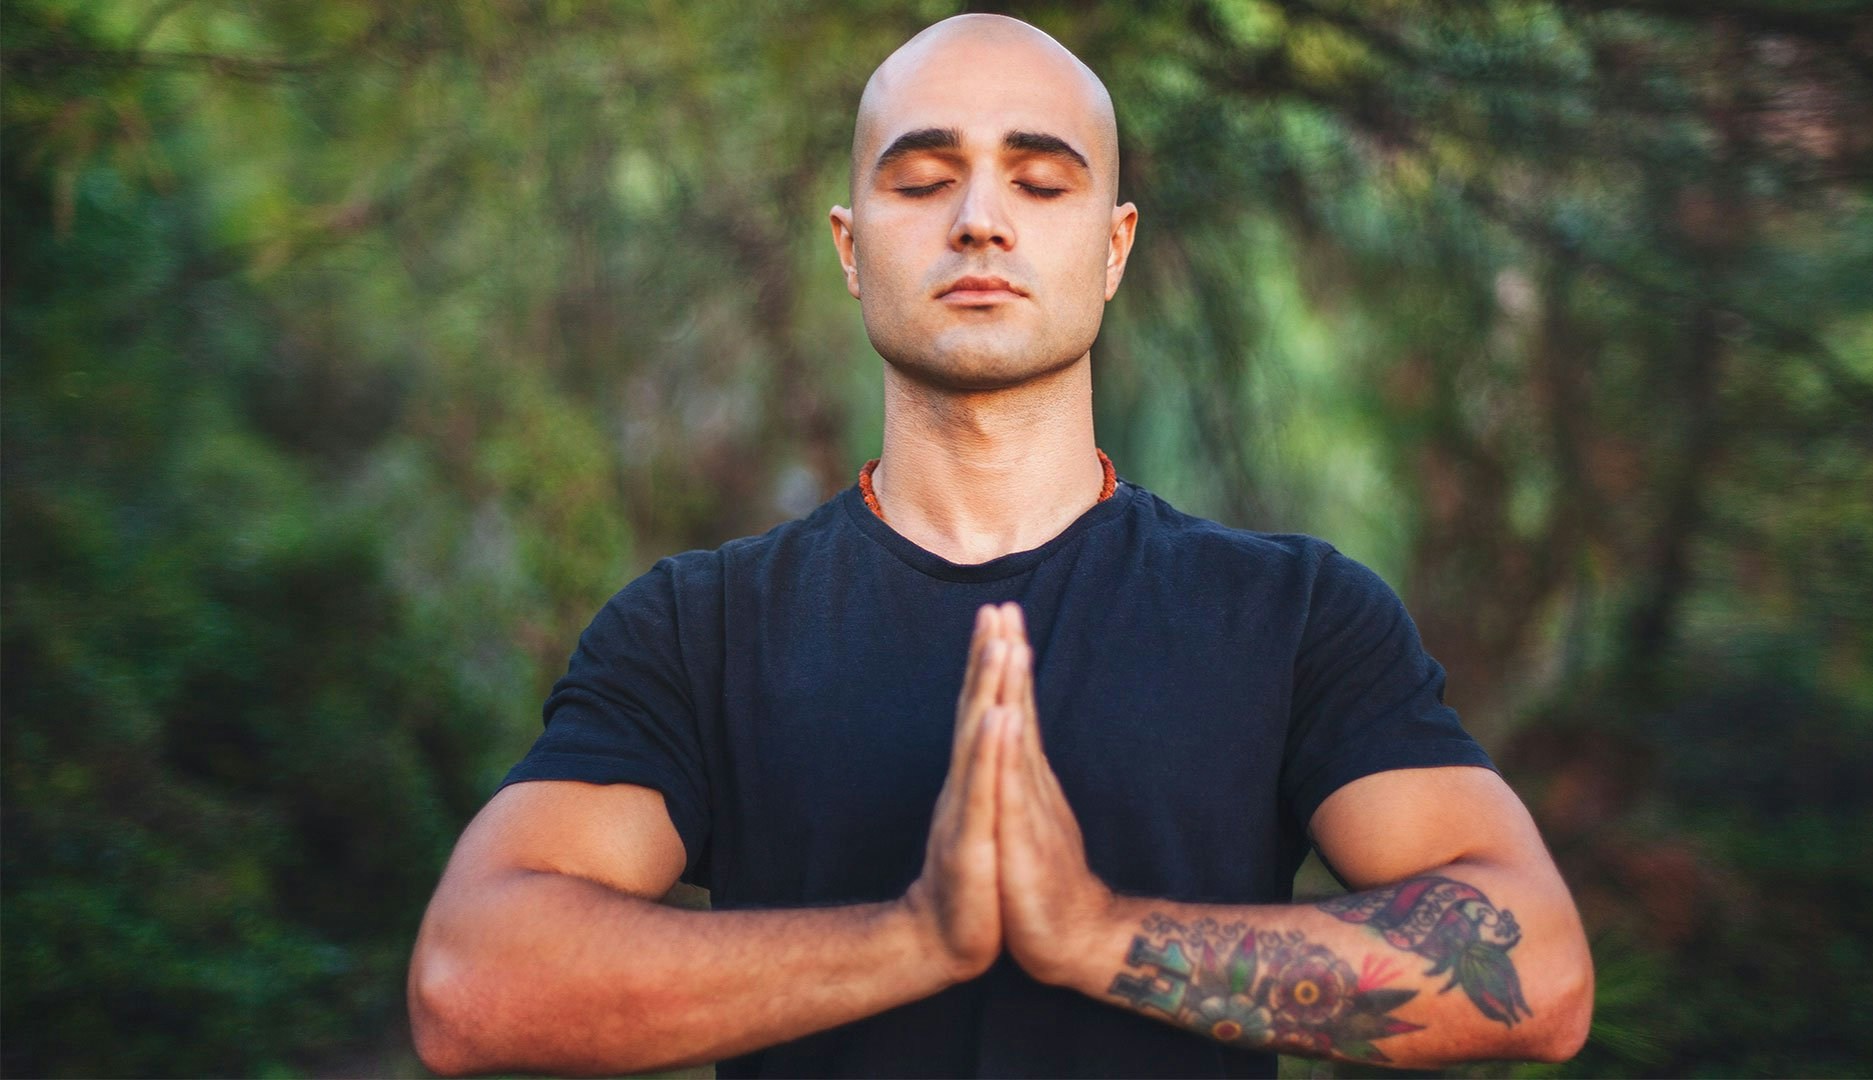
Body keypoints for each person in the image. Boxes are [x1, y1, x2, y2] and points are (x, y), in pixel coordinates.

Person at [407, 13, 1593, 1077]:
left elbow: (1539, 971)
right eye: (923, 181)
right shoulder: (699, 627)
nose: (979, 219)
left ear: (1115, 248)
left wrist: (1092, 934)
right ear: (849, 246)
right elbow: (472, 983)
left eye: (1040, 182)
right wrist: (916, 938)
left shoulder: (1292, 615)